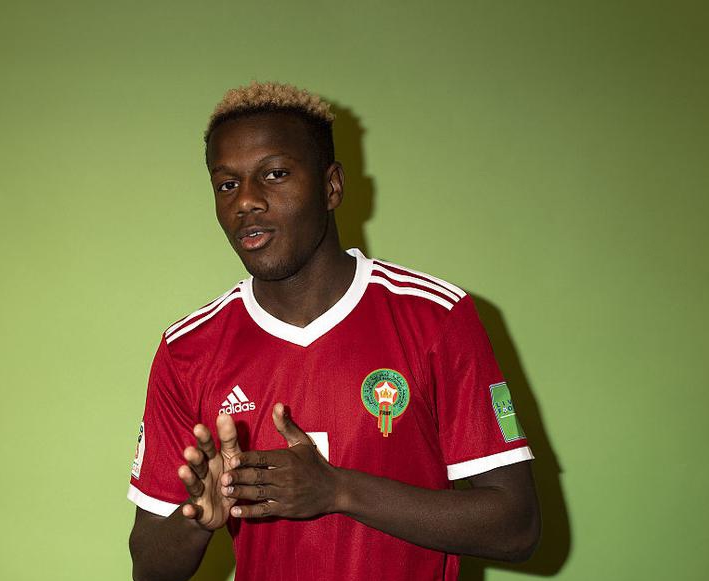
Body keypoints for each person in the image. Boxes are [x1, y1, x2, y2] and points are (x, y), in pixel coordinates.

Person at [127, 81, 540, 581]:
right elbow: (149, 567)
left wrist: (338, 490)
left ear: (332, 186)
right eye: (227, 184)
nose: (247, 201)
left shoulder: (435, 317)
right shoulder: (188, 349)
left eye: (275, 174)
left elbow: (516, 527)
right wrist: (199, 518)